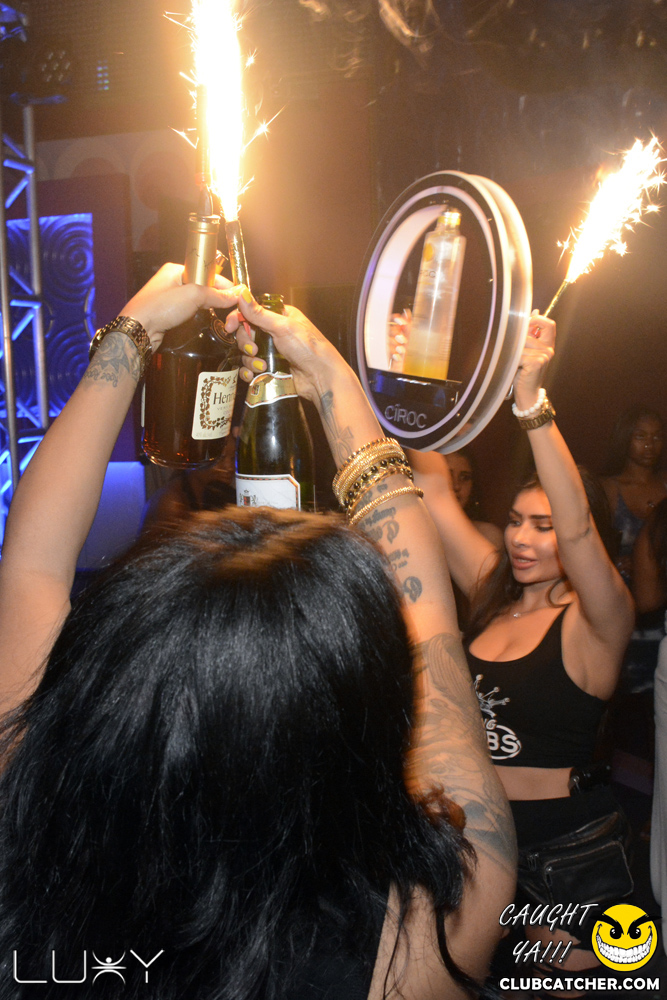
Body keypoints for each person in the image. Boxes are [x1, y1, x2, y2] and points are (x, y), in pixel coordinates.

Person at [0, 265, 515, 999]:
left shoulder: (39, 823)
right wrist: (332, 379)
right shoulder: (429, 926)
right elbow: (430, 614)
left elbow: (32, 567)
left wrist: (129, 337)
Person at [410, 317, 635, 984]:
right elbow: (432, 492)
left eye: (542, 525)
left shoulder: (599, 619)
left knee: (568, 990)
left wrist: (531, 403)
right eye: (514, 521)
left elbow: (578, 528)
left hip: (567, 848)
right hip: (478, 844)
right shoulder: (492, 590)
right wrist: (411, 377)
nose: (520, 539)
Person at [601, 406, 667, 586]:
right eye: (641, 436)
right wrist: (615, 562)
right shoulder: (609, 489)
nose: (650, 445)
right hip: (621, 588)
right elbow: (590, 544)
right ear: (625, 438)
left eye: (657, 437)